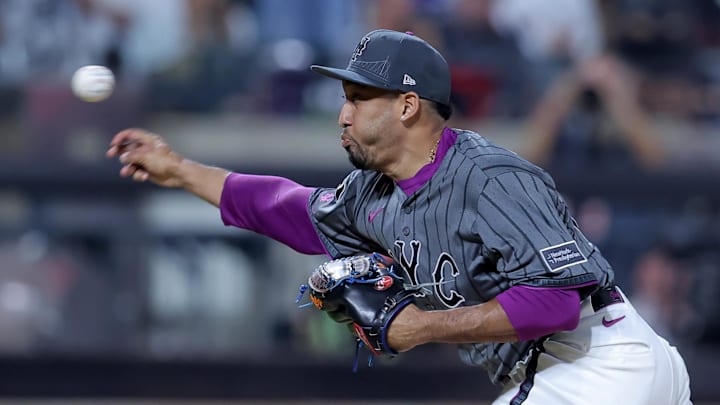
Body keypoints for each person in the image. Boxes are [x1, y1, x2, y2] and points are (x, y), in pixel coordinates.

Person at [106, 29, 692, 404]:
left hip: (597, 361)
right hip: (594, 372)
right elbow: (285, 207)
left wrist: (419, 326)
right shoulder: (372, 193)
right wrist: (180, 170)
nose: (343, 114)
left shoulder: (488, 176)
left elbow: (556, 303)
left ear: (408, 106)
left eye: (359, 99)